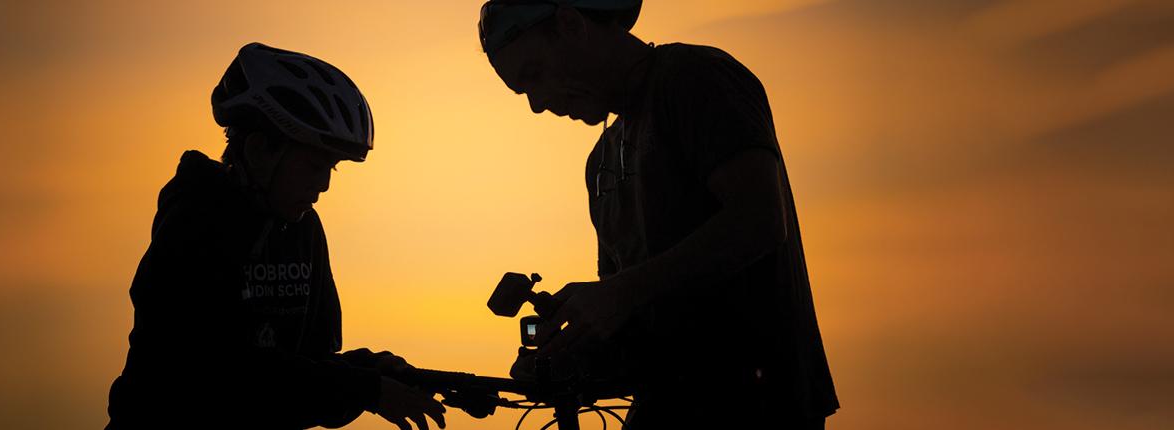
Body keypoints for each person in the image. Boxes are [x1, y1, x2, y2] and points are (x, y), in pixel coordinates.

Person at [478, 0, 839, 428]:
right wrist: (573, 352)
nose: (537, 104)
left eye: (534, 75)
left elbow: (760, 219)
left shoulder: (695, 77)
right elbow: (637, 324)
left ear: (571, 24)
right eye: (523, 93)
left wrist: (619, 294)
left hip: (758, 408)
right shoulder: (601, 163)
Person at [106, 42, 447, 430]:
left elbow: (307, 371)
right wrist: (366, 388)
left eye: (331, 169)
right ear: (260, 150)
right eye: (314, 165)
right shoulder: (195, 224)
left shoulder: (304, 229)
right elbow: (219, 376)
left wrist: (376, 370)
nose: (323, 185)